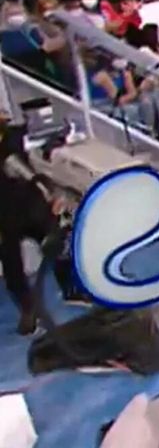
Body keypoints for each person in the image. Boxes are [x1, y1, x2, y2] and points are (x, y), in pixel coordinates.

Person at [0, 114, 88, 335]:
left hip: (31, 205)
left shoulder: (16, 136)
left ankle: (72, 290)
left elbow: (37, 168)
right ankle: (28, 309)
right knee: (12, 267)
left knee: (58, 243)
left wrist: (52, 194)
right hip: (4, 217)